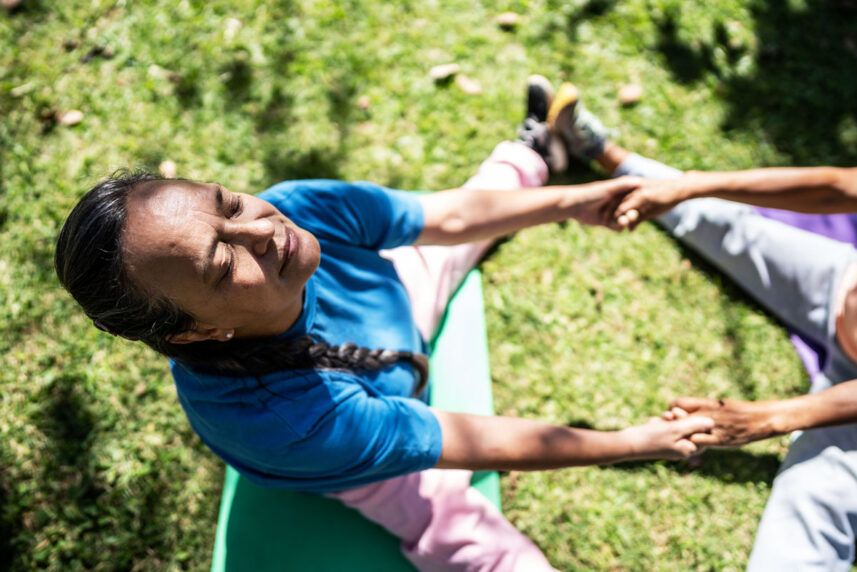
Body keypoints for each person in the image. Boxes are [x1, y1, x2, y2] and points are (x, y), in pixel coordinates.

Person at [53, 77, 713, 571]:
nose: (261, 230)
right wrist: (634, 441)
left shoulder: (296, 212)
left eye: (227, 204)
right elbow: (477, 441)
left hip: (391, 317)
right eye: (222, 265)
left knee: (453, 237)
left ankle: (539, 147)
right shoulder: (292, 423)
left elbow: (451, 217)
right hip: (357, 454)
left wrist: (576, 202)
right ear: (196, 333)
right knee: (457, 530)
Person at [548, 81, 857, 570]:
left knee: (803, 532)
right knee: (729, 226)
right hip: (839, 285)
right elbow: (838, 187)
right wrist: (693, 183)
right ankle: (605, 153)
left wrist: (772, 416)